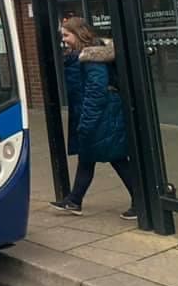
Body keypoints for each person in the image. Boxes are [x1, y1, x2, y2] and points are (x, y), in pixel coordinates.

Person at [50, 17, 137, 220]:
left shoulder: (91, 57)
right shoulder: (80, 55)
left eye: (66, 35)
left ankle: (139, 199)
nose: (64, 40)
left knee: (116, 158)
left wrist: (86, 122)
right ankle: (74, 200)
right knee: (89, 157)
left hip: (102, 115)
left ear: (79, 33)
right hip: (98, 114)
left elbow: (96, 91)